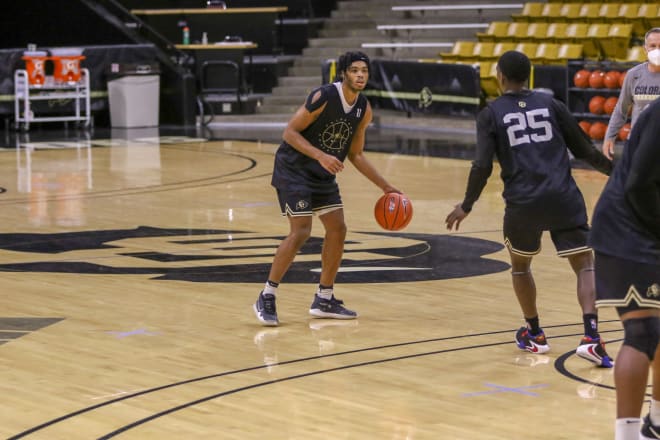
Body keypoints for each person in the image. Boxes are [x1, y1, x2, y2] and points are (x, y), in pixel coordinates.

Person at [445, 51, 614, 367]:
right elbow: (585, 151)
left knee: (521, 267)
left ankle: (535, 333)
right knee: (585, 266)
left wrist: (466, 205)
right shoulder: (553, 105)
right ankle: (591, 337)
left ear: (500, 77)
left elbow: (482, 165)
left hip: (523, 204)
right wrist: (618, 175)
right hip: (563, 197)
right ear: (530, 76)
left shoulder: (490, 113)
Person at [253, 51, 400, 326]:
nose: (360, 75)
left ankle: (324, 297)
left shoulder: (363, 109)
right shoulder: (323, 96)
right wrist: (320, 155)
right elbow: (290, 133)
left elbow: (356, 155)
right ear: (343, 73)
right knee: (301, 231)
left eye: (364, 71)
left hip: (321, 175)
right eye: (354, 70)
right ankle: (267, 294)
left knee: (338, 228)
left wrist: (387, 187)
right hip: (293, 169)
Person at [590, 98, 660, 439]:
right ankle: (627, 436)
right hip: (627, 228)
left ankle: (658, 422)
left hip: (646, 226)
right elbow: (638, 185)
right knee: (643, 332)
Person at [601, 27, 660, 160]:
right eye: (653, 46)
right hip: (638, 144)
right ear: (645, 49)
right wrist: (609, 137)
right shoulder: (633, 75)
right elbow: (621, 110)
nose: (657, 50)